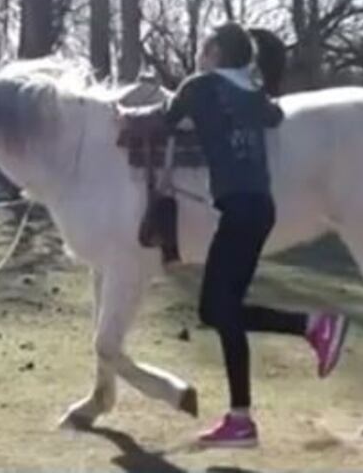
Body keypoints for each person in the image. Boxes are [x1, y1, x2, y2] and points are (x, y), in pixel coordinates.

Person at [120, 23, 350, 448]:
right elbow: (274, 116)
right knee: (222, 311)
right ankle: (242, 418)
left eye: (205, 46)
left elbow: (163, 122)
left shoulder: (199, 86)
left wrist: (125, 112)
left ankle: (312, 325)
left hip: (238, 211)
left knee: (216, 309)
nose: (200, 53)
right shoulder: (251, 93)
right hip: (260, 210)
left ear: (213, 51)